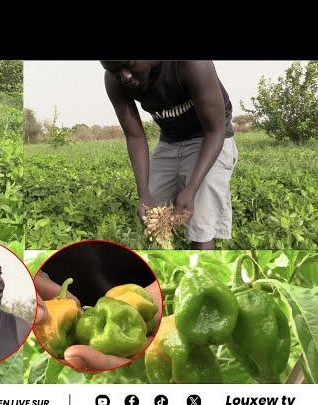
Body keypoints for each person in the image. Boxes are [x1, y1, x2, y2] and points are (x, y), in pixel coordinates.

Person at [101, 60, 238, 250]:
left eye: (130, 65)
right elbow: (135, 136)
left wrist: (191, 188)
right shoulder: (114, 81)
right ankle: (165, 267)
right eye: (115, 71)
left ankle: (203, 272)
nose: (125, 76)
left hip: (209, 137)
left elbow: (215, 131)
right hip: (170, 140)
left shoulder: (191, 64)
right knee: (152, 213)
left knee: (201, 218)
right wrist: (144, 193)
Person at [34, 273, 162, 371]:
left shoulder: (93, 310)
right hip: (51, 289)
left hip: (133, 278)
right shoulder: (77, 312)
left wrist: (157, 292)